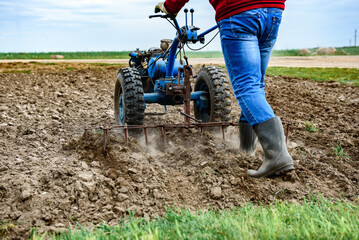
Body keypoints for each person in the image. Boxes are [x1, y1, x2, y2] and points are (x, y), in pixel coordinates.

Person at [155, 0, 294, 178]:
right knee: (256, 84)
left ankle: (277, 155)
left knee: (247, 86)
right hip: (273, 11)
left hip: (239, 12)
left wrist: (170, 7)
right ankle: (247, 148)